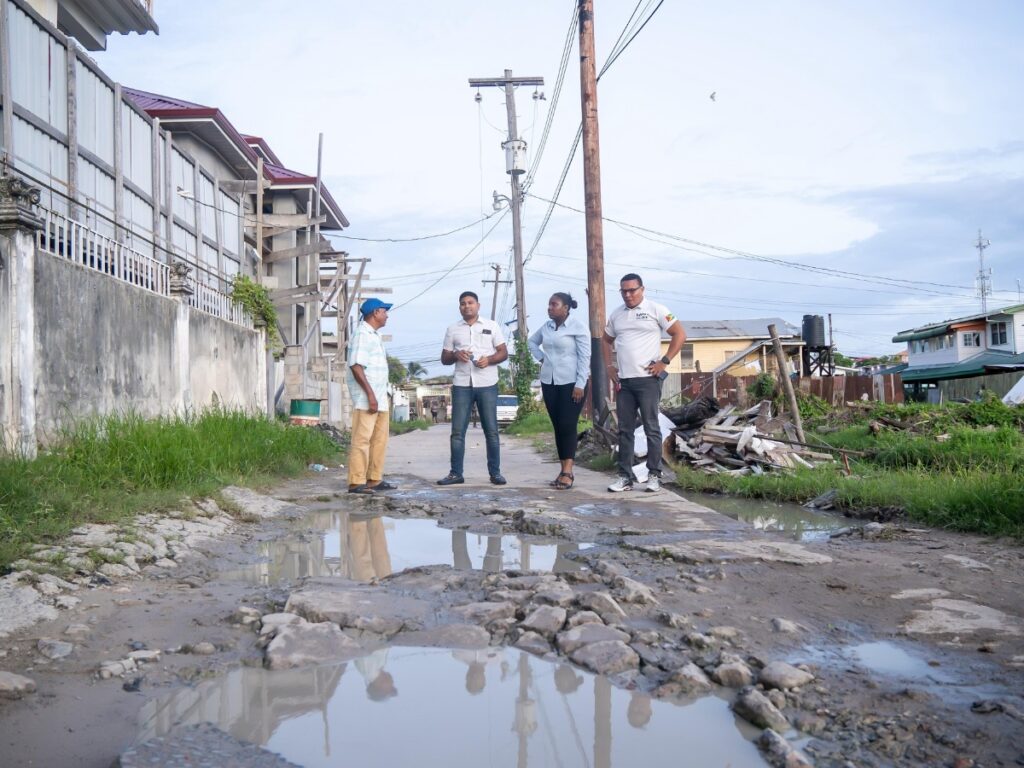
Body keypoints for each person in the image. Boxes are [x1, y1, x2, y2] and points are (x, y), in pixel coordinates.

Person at [603, 273, 687, 493]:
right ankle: (625, 477)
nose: (628, 295)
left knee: (651, 427)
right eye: (624, 291)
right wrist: (609, 366)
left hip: (648, 380)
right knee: (625, 430)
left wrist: (664, 361)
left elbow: (679, 334)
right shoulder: (617, 314)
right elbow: (606, 340)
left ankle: (654, 475)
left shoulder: (656, 309)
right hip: (624, 382)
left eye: (632, 290)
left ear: (642, 289)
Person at [437, 291, 509, 485]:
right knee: (457, 432)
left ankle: (495, 473)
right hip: (462, 385)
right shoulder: (453, 329)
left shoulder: (492, 326)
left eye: (470, 302)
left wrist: (489, 360)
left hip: (487, 384)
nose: (466, 306)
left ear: (478, 305)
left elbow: (503, 353)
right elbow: (444, 358)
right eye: (463, 303)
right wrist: (456, 355)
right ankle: (456, 474)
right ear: (459, 307)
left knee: (491, 431)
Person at [528, 292, 591, 489]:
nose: (550, 308)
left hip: (572, 383)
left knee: (567, 424)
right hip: (549, 382)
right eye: (549, 304)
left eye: (554, 304)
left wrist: (580, 383)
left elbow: (585, 357)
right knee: (558, 426)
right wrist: (541, 358)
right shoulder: (546, 327)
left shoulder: (578, 327)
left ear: (566, 308)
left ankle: (568, 472)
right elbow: (532, 342)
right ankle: (563, 469)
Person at [346, 297, 396, 495]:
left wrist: (380, 396)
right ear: (375, 313)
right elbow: (356, 366)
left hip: (380, 397)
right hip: (367, 398)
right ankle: (356, 482)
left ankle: (374, 479)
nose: (387, 315)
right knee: (362, 440)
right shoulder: (362, 334)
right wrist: (370, 395)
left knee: (379, 440)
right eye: (384, 311)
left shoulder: (375, 335)